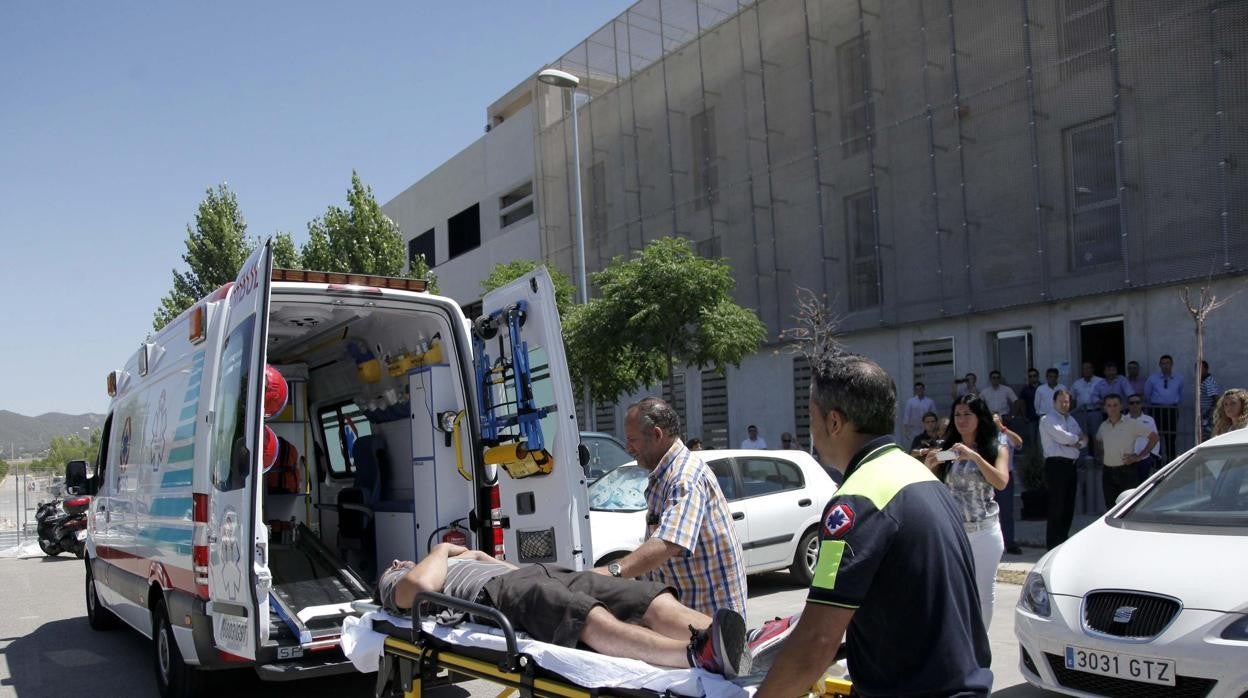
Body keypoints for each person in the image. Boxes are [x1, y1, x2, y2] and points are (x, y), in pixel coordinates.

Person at [755, 352, 992, 698]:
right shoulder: (919, 477)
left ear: (834, 422)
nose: (811, 429)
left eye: (811, 417)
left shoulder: (855, 502)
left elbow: (817, 641)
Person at [377, 543, 751, 677]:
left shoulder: (446, 563)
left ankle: (741, 640)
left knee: (640, 596)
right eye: (395, 563)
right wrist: (441, 549)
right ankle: (696, 655)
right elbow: (420, 589)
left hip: (527, 575)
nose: (398, 560)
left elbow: (512, 571)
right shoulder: (400, 581)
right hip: (494, 595)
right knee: (583, 612)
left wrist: (478, 555)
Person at [600, 398, 746, 617]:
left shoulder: (684, 477)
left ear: (657, 435)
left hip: (709, 619)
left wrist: (614, 572)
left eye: (632, 440)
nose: (628, 447)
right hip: (686, 611)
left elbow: (670, 542)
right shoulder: (667, 473)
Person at [924, 394, 1009, 627]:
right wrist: (930, 466)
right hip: (954, 532)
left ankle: (981, 651)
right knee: (952, 593)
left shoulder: (995, 448)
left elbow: (1001, 481)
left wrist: (974, 456)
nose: (961, 420)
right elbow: (936, 486)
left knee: (982, 594)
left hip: (984, 532)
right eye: (957, 414)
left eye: (967, 414)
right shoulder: (949, 451)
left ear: (979, 417)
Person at [1094, 394, 1159, 508]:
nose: (1112, 408)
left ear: (1121, 407)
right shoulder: (1103, 426)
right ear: (1105, 408)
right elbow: (1098, 440)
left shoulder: (1132, 423)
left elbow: (1154, 437)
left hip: (1126, 471)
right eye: (1109, 405)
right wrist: (1102, 455)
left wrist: (1138, 456)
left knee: (1128, 508)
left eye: (1115, 405)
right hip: (1108, 472)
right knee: (1110, 507)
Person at [1040, 390, 1086, 550]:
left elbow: (1083, 438)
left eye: (1067, 401)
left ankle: (1062, 542)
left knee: (1068, 507)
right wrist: (1074, 440)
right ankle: (1053, 545)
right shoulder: (1047, 419)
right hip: (1056, 466)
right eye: (1061, 401)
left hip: (1071, 465)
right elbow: (1063, 437)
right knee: (1056, 507)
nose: (1065, 404)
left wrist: (1074, 441)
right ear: (1054, 402)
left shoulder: (1071, 419)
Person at [993, 413, 1024, 555]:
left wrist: (1002, 428)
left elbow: (1019, 443)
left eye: (996, 419)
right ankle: (994, 544)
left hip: (1006, 475)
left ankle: (1009, 543)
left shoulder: (1005, 435)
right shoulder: (984, 436)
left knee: (1006, 511)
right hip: (989, 476)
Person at [1144, 355, 1184, 461]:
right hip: (1157, 410)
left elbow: (1180, 393)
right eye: (1163, 363)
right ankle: (1157, 462)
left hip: (1172, 410)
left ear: (1172, 364)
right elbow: (1147, 394)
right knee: (1156, 437)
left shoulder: (1179, 378)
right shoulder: (1152, 378)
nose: (1165, 366)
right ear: (1160, 365)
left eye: (1168, 363)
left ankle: (1171, 461)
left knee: (1171, 437)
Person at [1125, 395, 1162, 480]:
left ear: (1141, 404)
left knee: (1142, 486)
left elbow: (1155, 439)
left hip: (1145, 458)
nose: (1135, 405)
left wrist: (1147, 456)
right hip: (1127, 459)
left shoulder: (1149, 420)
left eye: (1137, 402)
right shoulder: (1122, 420)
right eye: (1131, 403)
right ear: (1128, 405)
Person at [1199, 360, 1221, 440]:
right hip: (1202, 415)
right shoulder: (1202, 381)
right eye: (1196, 368)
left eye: (1200, 368)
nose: (1198, 371)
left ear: (1206, 369)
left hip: (1207, 416)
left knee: (1207, 436)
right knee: (1201, 436)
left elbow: (1216, 398)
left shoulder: (1208, 382)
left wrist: (1208, 414)